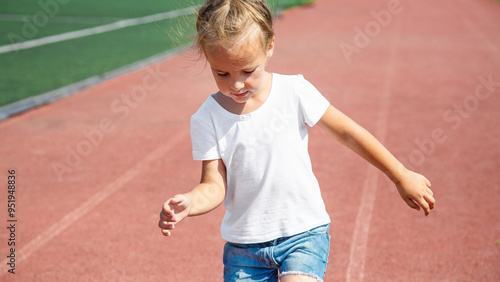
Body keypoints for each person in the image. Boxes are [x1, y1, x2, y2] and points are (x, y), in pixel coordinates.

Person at [158, 0, 436, 281]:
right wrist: (190, 203)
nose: (237, 84)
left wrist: (400, 174)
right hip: (244, 249)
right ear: (207, 59)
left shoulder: (294, 91)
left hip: (303, 233)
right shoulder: (207, 117)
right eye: (222, 74)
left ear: (270, 46)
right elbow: (214, 184)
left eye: (248, 71)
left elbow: (349, 133)